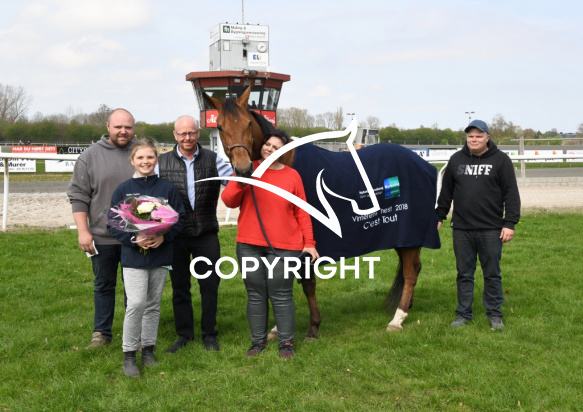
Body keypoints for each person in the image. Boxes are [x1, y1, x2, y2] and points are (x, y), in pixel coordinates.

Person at [221, 130, 319, 358]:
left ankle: (286, 343)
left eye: (277, 147)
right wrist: (241, 181)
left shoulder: (292, 176)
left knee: (281, 293)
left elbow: (302, 211)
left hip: (285, 245)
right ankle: (258, 342)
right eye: (268, 144)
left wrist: (309, 243)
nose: (270, 149)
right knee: (255, 293)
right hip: (249, 243)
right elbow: (228, 201)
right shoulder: (248, 168)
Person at [108, 139, 185, 378]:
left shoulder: (167, 188)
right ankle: (129, 354)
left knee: (153, 305)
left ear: (156, 160)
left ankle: (148, 350)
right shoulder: (123, 189)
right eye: (140, 158)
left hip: (160, 255)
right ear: (132, 161)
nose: (145, 162)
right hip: (134, 257)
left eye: (150, 157)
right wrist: (134, 238)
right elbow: (113, 223)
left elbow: (180, 219)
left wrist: (164, 236)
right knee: (136, 304)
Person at [435, 119, 521, 330]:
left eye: (478, 136)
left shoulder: (501, 160)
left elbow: (511, 194)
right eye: (470, 136)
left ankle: (494, 313)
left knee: (492, 273)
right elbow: (446, 193)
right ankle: (463, 313)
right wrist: (439, 216)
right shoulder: (456, 160)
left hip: (491, 228)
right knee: (464, 274)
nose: (474, 140)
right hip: (462, 229)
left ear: (487, 138)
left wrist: (510, 223)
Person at [158, 115, 233, 353]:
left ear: (198, 133)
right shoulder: (161, 162)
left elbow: (234, 184)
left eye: (191, 132)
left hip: (206, 233)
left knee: (210, 285)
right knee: (180, 286)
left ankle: (209, 333)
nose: (187, 137)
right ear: (175, 135)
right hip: (175, 235)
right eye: (182, 133)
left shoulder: (213, 159)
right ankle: (184, 334)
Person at [67, 108, 136, 349]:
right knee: (104, 286)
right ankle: (101, 334)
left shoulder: (142, 152)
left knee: (135, 290)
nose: (123, 131)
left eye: (128, 127)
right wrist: (83, 231)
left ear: (134, 128)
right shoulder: (90, 156)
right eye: (118, 127)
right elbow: (79, 196)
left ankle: (134, 335)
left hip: (135, 238)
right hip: (101, 237)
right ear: (108, 127)